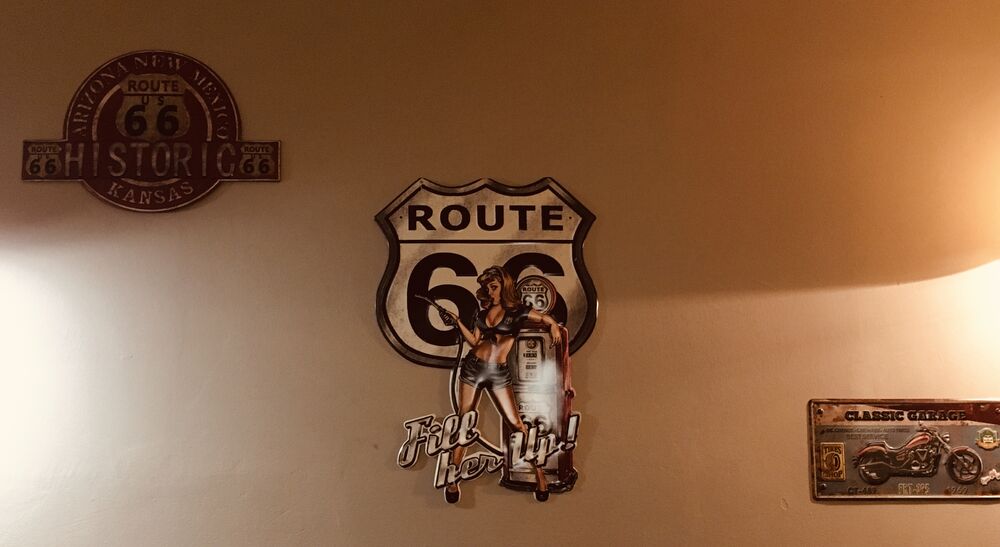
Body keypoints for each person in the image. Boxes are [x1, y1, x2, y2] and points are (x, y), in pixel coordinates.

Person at [442, 265, 562, 503]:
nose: (490, 291)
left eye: (494, 287)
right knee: (464, 421)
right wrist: (457, 321)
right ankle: (452, 478)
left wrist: (554, 326)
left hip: (498, 372)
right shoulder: (482, 313)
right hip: (473, 367)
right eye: (487, 288)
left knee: (516, 424)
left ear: (504, 286)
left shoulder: (518, 312)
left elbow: (544, 318)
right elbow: (474, 341)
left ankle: (540, 476)